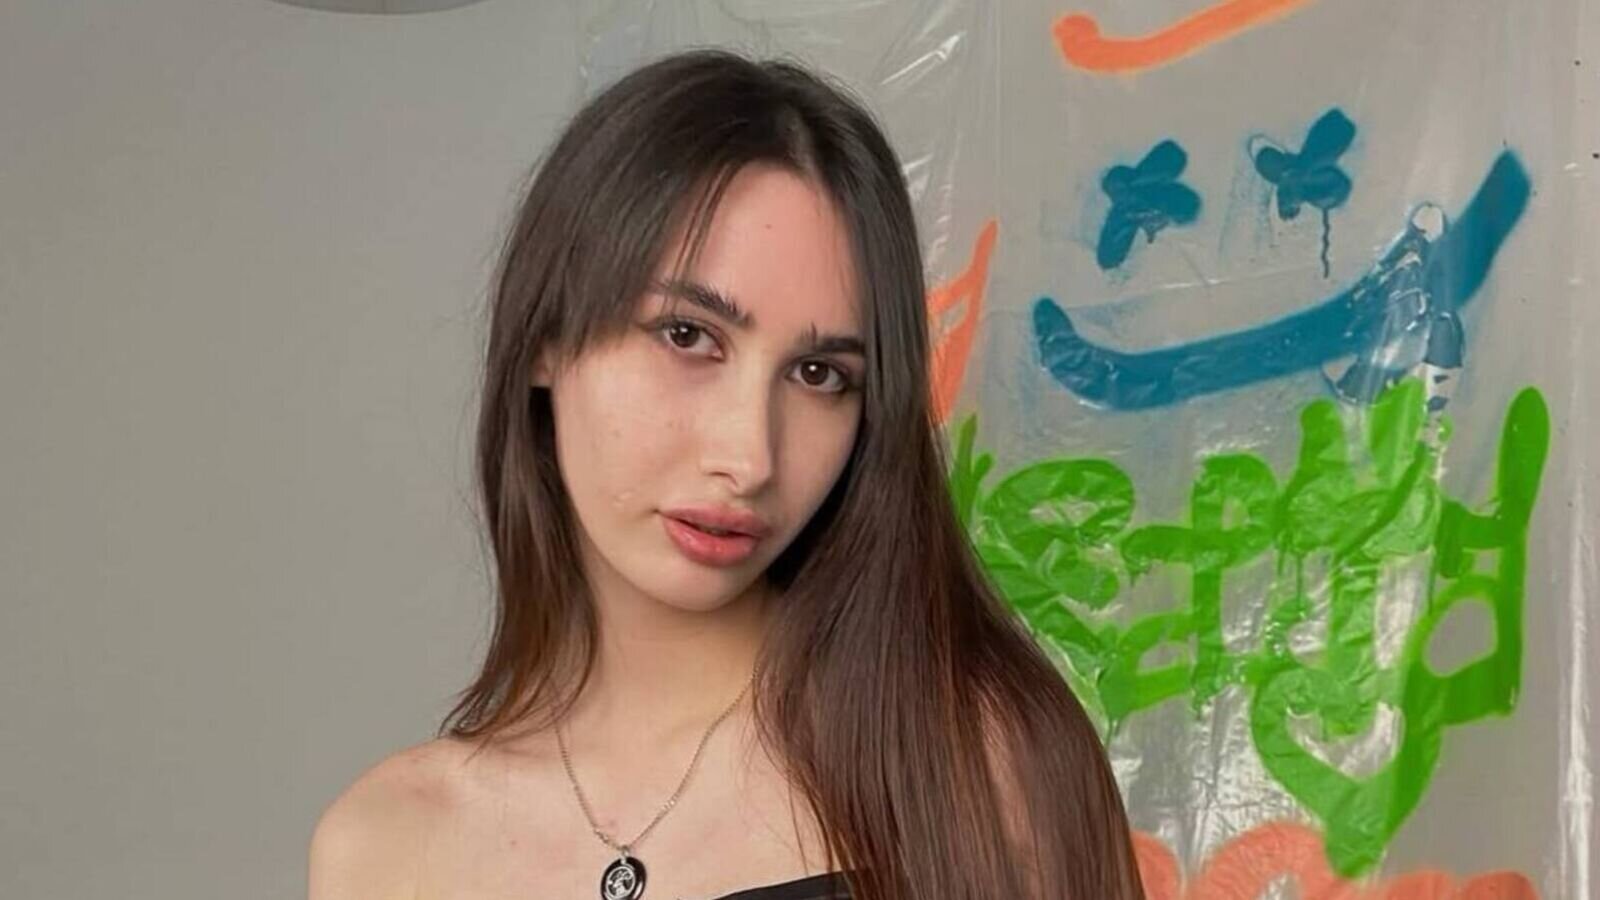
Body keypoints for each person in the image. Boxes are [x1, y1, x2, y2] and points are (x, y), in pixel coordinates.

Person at [308, 48, 1145, 900]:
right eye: (688, 336)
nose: (750, 458)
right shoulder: (385, 843)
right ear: (546, 338)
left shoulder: (981, 768)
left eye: (819, 375)